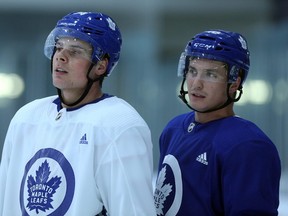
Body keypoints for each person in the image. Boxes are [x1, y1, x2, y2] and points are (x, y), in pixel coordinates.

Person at [0, 12, 156, 216]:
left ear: (101, 65)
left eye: (75, 51)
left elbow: (133, 211)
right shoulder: (26, 117)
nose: (60, 56)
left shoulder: (119, 124)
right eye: (59, 47)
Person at [154, 30, 281, 215]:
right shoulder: (173, 129)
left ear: (234, 83)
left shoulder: (248, 146)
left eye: (211, 75)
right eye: (192, 71)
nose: (196, 84)